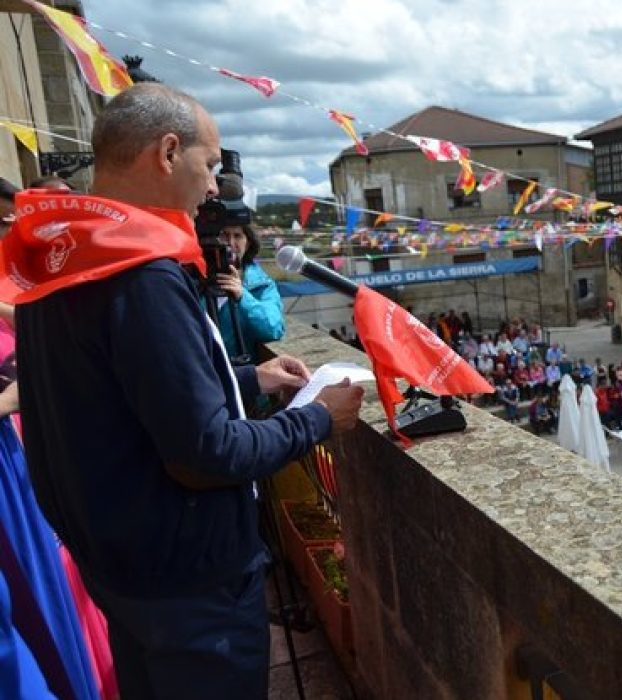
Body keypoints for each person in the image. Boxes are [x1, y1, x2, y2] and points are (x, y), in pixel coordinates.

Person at [4, 84, 366, 699]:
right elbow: (205, 455)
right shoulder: (140, 276)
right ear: (168, 152)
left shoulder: (61, 257)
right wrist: (316, 420)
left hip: (118, 564)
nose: (213, 188)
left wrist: (249, 378)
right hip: (188, 583)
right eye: (210, 166)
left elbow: (114, 398)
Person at [215, 223, 285, 360]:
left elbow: (274, 329)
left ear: (248, 244)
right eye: (224, 235)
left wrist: (243, 297)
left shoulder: (262, 285)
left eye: (237, 236)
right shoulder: (197, 279)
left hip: (243, 370)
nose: (230, 243)